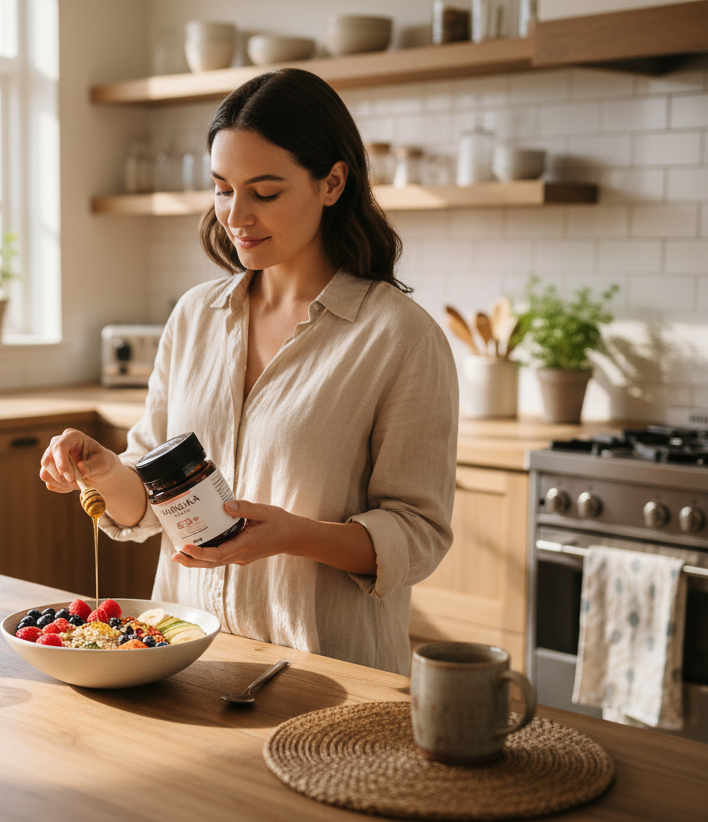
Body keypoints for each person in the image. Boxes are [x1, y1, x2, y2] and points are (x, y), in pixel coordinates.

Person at [40, 68, 457, 674]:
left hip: (327, 674)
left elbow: (418, 534)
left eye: (264, 193)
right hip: (184, 662)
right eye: (222, 189)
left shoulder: (400, 337)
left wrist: (294, 535)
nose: (236, 216)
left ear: (332, 183)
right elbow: (150, 503)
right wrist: (106, 471)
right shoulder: (194, 316)